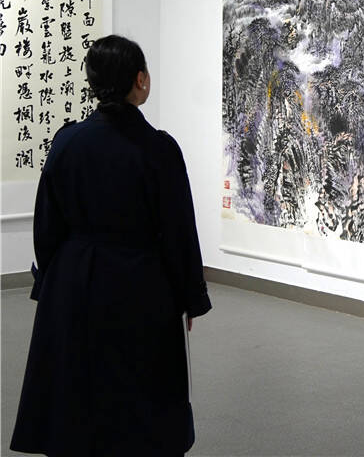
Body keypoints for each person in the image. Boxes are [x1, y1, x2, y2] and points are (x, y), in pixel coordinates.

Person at [10, 35, 212, 457]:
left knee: (78, 385)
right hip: (142, 283)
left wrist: (50, 281)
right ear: (140, 80)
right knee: (143, 393)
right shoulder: (159, 149)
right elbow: (179, 230)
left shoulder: (67, 142)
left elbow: (47, 224)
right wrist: (190, 296)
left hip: (74, 281)